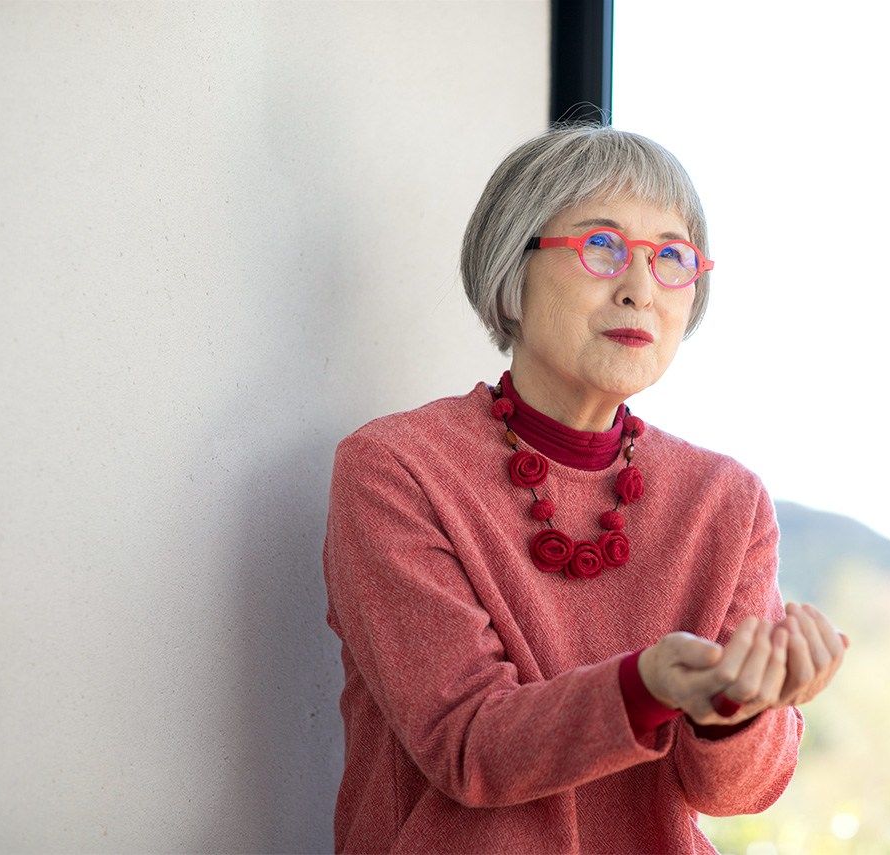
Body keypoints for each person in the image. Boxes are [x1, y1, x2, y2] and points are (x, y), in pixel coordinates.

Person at [322, 122, 850, 854]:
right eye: (603, 246)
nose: (640, 290)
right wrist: (648, 685)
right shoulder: (395, 468)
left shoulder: (727, 501)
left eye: (672, 257)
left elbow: (732, 793)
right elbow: (467, 743)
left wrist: (739, 704)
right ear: (514, 269)